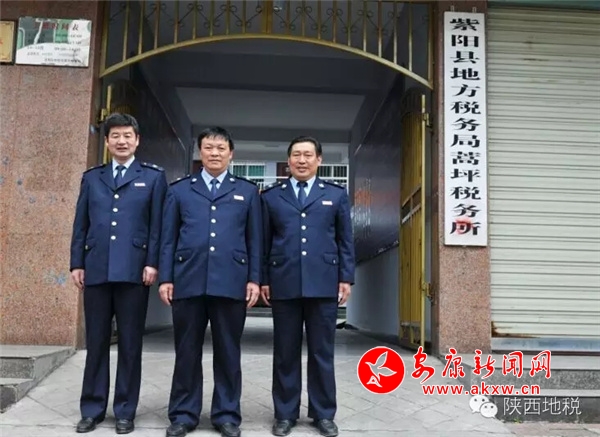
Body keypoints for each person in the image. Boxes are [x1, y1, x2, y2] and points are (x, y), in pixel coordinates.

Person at [158, 127, 261, 437]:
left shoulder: (247, 191)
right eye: (208, 147)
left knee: (228, 351)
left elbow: (255, 240)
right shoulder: (180, 190)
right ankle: (183, 414)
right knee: (186, 351)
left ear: (231, 153)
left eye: (220, 148)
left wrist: (254, 279)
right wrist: (166, 278)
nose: (214, 153)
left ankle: (226, 414)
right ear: (199, 152)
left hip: (231, 281)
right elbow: (168, 239)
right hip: (187, 280)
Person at [69, 113, 168, 434]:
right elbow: (81, 224)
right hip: (96, 269)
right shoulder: (92, 178)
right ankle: (92, 409)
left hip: (134, 271)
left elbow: (158, 227)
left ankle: (125, 410)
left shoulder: (153, 177)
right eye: (116, 136)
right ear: (107, 141)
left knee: (129, 344)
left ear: (137, 140)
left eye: (127, 136)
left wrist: (153, 263)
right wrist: (77, 263)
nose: (122, 141)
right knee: (96, 342)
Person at [260, 136, 355, 437]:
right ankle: (285, 413)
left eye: (308, 155)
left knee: (321, 352)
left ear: (319, 160)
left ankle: (323, 414)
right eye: (296, 155)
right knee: (285, 352)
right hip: (283, 281)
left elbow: (345, 240)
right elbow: (263, 242)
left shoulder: (335, 195)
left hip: (324, 282)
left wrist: (345, 278)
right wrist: (264, 279)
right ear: (288, 161)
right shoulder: (271, 197)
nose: (302, 160)